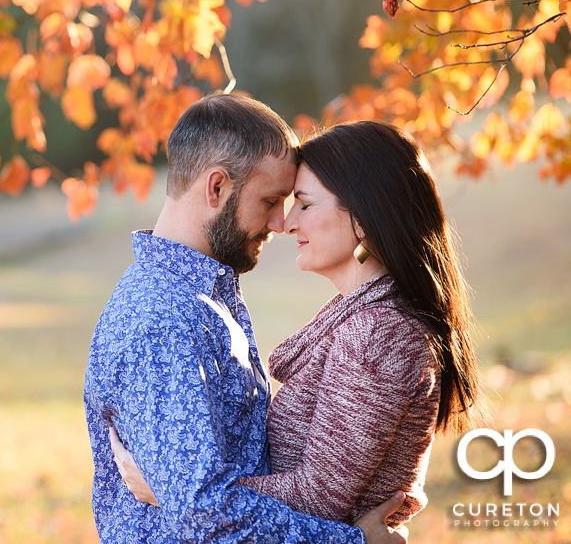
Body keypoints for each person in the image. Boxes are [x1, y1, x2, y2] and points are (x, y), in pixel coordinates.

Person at [110, 120, 484, 530]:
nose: (287, 224)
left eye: (304, 204)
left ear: (362, 216)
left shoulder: (378, 334)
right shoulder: (362, 317)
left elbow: (318, 496)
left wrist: (175, 493)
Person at [84, 95, 408, 544]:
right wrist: (352, 541)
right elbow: (205, 511)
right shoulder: (161, 320)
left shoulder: (204, 297)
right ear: (216, 188)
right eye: (270, 200)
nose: (281, 222)